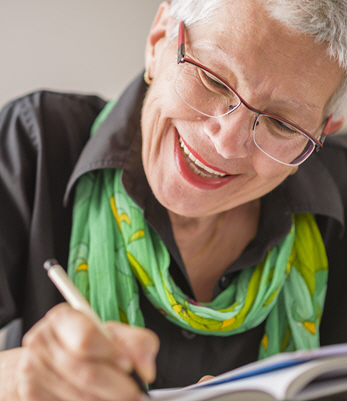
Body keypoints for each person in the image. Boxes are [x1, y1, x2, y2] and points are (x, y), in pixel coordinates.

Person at [1, 0, 347, 399]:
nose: (227, 143)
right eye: (215, 80)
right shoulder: (35, 143)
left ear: (324, 131)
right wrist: (13, 378)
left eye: (281, 123)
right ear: (158, 40)